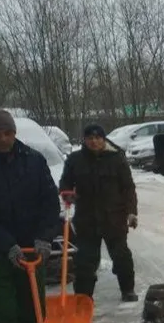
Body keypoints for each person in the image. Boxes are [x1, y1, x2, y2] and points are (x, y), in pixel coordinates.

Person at [0, 108, 61, 323]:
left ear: (14, 133)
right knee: (2, 309)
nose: (3, 139)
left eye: (7, 133)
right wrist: (7, 245)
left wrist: (44, 238)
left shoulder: (34, 160)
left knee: (33, 305)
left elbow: (49, 202)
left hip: (32, 248)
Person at [59, 124, 139, 303]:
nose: (94, 141)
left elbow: (128, 188)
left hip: (114, 217)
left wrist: (132, 212)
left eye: (97, 138)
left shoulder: (116, 158)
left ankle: (127, 289)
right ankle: (83, 298)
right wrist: (67, 194)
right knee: (85, 261)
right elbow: (65, 183)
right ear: (84, 140)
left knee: (121, 256)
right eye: (90, 138)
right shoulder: (75, 160)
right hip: (87, 219)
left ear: (103, 139)